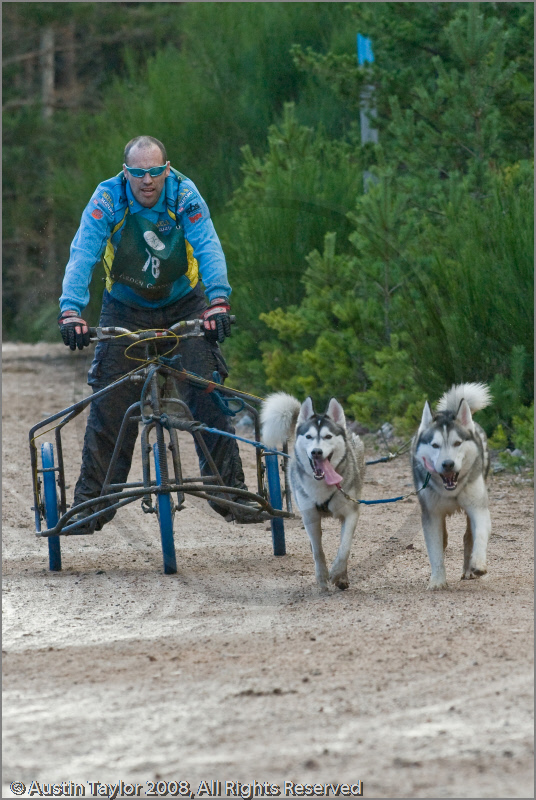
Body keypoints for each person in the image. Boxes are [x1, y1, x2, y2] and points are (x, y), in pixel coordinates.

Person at [58, 135, 260, 530]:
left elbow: (208, 245)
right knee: (110, 402)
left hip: (185, 304)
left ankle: (232, 494)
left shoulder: (184, 195)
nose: (147, 180)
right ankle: (92, 504)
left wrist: (218, 302)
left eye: (154, 172)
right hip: (125, 308)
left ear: (167, 170)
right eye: (137, 172)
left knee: (207, 392)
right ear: (125, 173)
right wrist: (71, 311)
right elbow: (83, 253)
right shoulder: (107, 200)